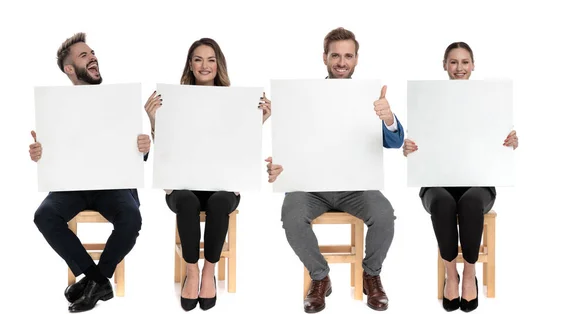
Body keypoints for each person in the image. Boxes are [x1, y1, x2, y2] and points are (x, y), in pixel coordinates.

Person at [266, 27, 404, 313]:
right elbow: (289, 141)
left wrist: (388, 117)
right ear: (325, 57)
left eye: (348, 56)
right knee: (291, 217)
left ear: (356, 59)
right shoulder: (303, 97)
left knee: (384, 214)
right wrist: (279, 166)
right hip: (310, 188)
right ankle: (320, 277)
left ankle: (371, 275)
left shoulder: (371, 97)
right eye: (336, 56)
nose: (342, 62)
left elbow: (395, 142)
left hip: (356, 186)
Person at [143, 37, 271, 311]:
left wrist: (259, 120)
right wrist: (154, 120)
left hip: (222, 186)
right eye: (198, 59)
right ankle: (192, 271)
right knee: (187, 200)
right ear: (190, 64)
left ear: (218, 64)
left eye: (211, 59)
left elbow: (240, 146)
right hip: (182, 187)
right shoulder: (173, 99)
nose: (204, 65)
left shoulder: (233, 101)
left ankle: (209, 272)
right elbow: (166, 149)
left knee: (219, 202)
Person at [29, 32, 150, 313]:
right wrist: (39, 153)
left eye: (93, 53)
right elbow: (52, 153)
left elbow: (136, 153)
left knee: (131, 219)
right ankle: (98, 281)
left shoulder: (118, 100)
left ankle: (93, 282)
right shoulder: (55, 106)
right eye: (84, 55)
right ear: (69, 69)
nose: (93, 57)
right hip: (71, 186)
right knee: (44, 215)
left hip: (114, 185)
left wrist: (143, 147)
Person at [402, 42, 519, 312]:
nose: (459, 68)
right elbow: (419, 144)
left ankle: (468, 273)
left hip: (478, 184)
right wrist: (408, 149)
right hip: (436, 182)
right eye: (453, 62)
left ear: (473, 65)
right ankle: (450, 273)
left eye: (465, 62)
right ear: (444, 65)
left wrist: (511, 141)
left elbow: (498, 142)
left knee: (468, 203)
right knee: (443, 202)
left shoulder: (489, 101)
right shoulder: (428, 100)